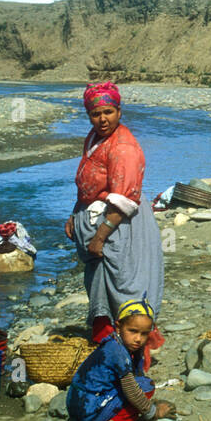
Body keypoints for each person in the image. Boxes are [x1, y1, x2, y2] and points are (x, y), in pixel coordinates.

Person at [64, 82, 165, 367]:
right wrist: (74, 215)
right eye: (96, 114)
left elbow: (124, 200)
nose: (102, 119)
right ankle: (108, 347)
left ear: (119, 111)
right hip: (100, 224)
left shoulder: (124, 147)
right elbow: (85, 184)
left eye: (108, 112)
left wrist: (99, 237)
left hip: (121, 227)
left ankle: (133, 359)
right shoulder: (94, 138)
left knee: (124, 284)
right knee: (100, 286)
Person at [66, 300, 176, 421]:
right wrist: (153, 412)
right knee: (146, 386)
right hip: (89, 411)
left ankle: (105, 418)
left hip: (76, 405)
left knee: (139, 385)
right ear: (118, 327)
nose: (138, 339)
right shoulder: (117, 352)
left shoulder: (113, 342)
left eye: (144, 334)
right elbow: (132, 390)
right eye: (133, 331)